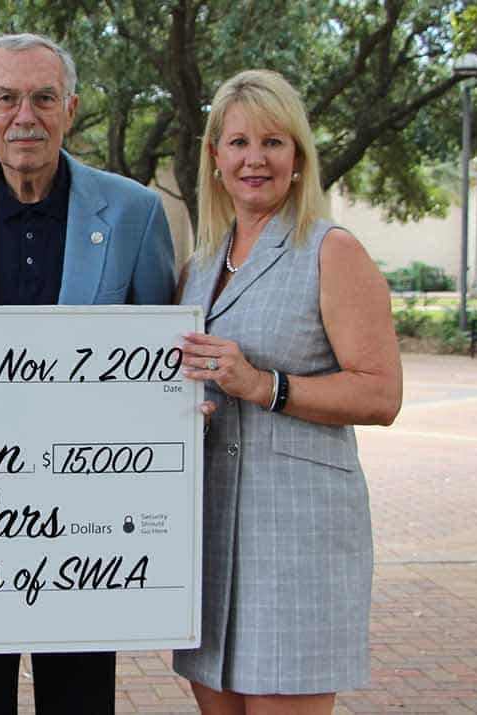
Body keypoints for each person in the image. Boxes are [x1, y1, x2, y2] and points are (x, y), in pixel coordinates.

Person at [0, 33, 175, 715]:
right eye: (7, 98)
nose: (26, 115)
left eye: (44, 97)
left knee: (80, 696)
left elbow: (162, 363)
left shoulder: (135, 213)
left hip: (89, 521)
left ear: (71, 108)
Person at [172, 69, 402, 714]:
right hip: (210, 530)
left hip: (295, 538)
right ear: (215, 158)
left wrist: (264, 385)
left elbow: (381, 395)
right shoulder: (198, 266)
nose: (255, 159)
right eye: (238, 142)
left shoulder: (332, 251)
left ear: (298, 158)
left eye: (273, 142)